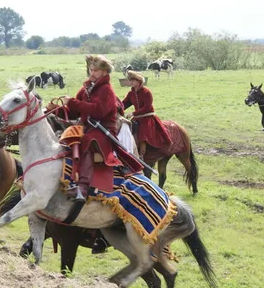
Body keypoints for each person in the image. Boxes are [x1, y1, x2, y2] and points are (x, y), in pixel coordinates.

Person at [47, 55, 143, 202]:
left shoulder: (106, 90)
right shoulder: (86, 87)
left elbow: (98, 110)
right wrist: (57, 110)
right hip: (88, 127)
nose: (92, 73)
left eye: (96, 70)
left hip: (103, 130)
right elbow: (75, 112)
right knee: (67, 139)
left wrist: (72, 102)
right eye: (91, 69)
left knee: (89, 141)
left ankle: (83, 187)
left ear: (105, 72)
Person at [122, 70, 172, 157]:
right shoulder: (131, 93)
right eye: (130, 80)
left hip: (147, 117)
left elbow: (147, 107)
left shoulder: (146, 92)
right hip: (137, 118)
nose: (131, 82)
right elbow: (124, 104)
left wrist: (133, 113)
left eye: (133, 80)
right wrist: (116, 108)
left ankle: (142, 155)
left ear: (139, 81)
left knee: (143, 133)